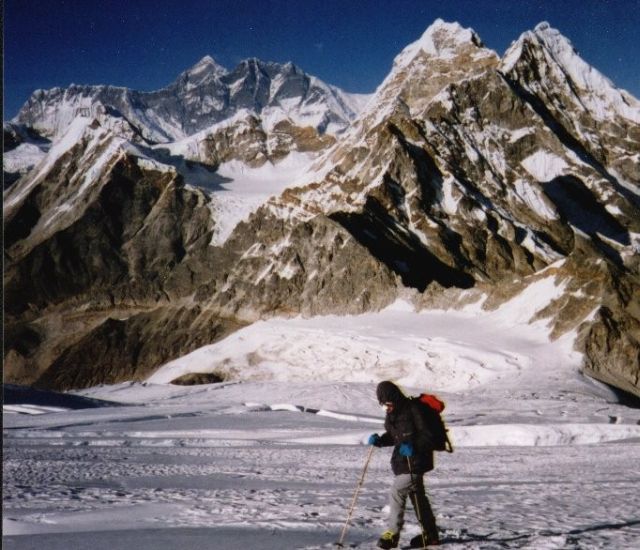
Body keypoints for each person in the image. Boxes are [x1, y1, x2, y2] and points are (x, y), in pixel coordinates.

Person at [368, 381, 440, 549]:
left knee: (397, 491)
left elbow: (428, 437)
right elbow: (396, 437)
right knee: (418, 498)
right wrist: (381, 440)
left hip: (417, 461)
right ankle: (431, 536)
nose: (385, 407)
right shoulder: (393, 413)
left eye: (386, 402)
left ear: (392, 397)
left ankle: (392, 534)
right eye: (383, 404)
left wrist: (413, 446)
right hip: (403, 461)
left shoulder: (413, 409)